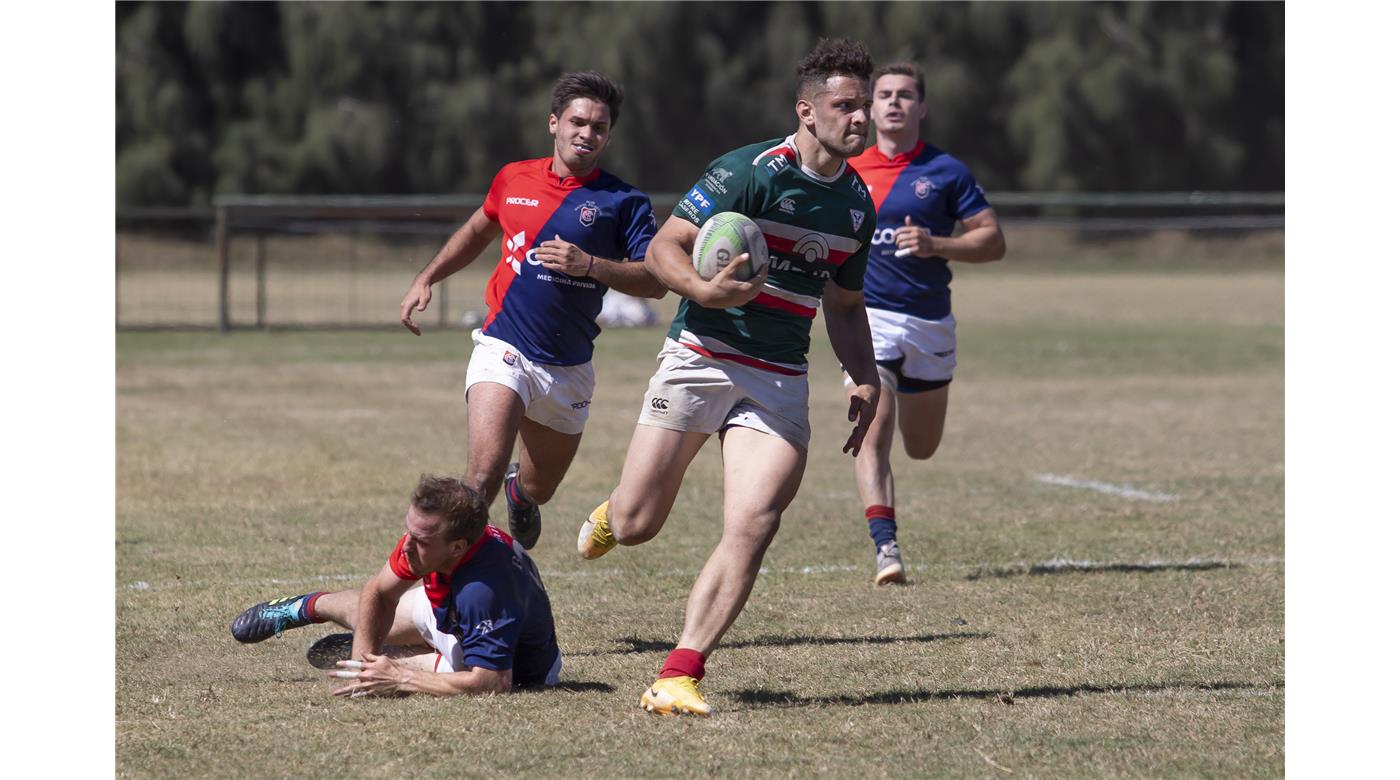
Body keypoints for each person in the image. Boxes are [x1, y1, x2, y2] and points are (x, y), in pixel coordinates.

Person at [574, 38, 881, 717]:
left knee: (756, 520)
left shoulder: (858, 206)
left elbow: (846, 306)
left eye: (866, 108)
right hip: (700, 356)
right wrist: (704, 293)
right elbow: (663, 247)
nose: (861, 119)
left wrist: (863, 376)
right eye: (846, 107)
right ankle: (612, 512)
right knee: (637, 522)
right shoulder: (747, 172)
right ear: (808, 110)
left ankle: (679, 673)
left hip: (778, 376)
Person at [398, 71, 665, 550]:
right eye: (577, 122)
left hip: (568, 368)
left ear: (608, 135)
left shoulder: (624, 202)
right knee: (479, 478)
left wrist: (591, 266)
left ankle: (520, 494)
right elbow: (479, 231)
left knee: (542, 487)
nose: (587, 134)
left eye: (599, 127)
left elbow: (655, 282)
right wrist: (428, 277)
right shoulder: (513, 178)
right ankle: (451, 596)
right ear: (553, 124)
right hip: (504, 347)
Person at [845, 62, 1007, 585]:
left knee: (921, 446)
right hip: (868, 318)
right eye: (884, 95)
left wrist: (939, 244)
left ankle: (888, 536)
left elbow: (993, 240)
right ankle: (886, 549)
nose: (893, 103)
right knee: (873, 430)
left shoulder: (947, 171)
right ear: (869, 108)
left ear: (922, 107)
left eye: (905, 95)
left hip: (929, 323)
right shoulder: (848, 171)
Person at [230, 475, 562, 696]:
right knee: (369, 610)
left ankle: (395, 658)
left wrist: (398, 677)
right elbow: (379, 592)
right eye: (409, 531)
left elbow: (493, 682)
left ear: (457, 547)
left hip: (510, 666)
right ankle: (303, 607)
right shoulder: (429, 544)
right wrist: (362, 666)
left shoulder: (482, 590)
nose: (406, 545)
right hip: (448, 613)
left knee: (427, 673)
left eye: (419, 539)